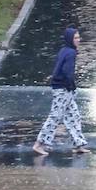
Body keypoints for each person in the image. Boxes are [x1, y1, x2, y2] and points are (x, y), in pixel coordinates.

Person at [33, 27, 90, 155]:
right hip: (63, 89)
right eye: (75, 38)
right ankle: (39, 144)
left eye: (78, 37)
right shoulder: (71, 53)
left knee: (74, 116)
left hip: (63, 88)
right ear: (70, 39)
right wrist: (71, 86)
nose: (78, 40)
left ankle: (78, 144)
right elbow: (67, 72)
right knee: (55, 116)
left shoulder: (65, 50)